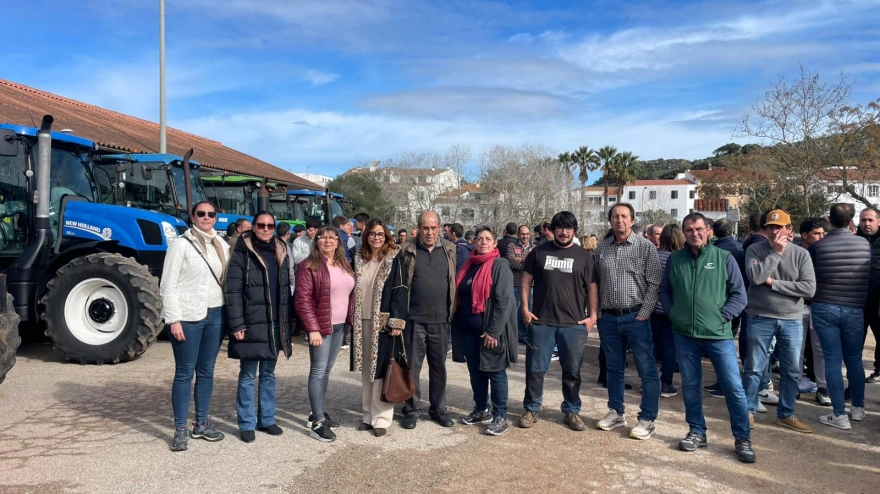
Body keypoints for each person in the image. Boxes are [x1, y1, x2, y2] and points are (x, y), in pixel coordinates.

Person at [659, 213, 753, 463]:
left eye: (699, 229)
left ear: (708, 230)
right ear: (683, 232)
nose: (694, 234)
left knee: (733, 387)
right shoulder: (675, 260)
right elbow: (664, 291)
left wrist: (722, 317)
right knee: (690, 386)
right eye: (689, 230)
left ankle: (742, 438)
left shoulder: (724, 258)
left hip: (717, 335)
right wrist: (673, 314)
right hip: (684, 334)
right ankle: (697, 431)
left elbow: (739, 295)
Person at [519, 211, 598, 432]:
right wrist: (525, 308)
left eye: (569, 228)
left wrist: (593, 316)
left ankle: (571, 410)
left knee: (572, 370)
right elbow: (526, 280)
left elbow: (591, 287)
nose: (564, 232)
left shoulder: (584, 256)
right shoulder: (539, 252)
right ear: (553, 230)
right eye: (560, 228)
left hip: (573, 324)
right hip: (542, 322)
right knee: (535, 368)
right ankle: (532, 408)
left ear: (574, 231)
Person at [161, 201, 230, 451]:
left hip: (216, 313)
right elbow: (167, 285)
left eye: (211, 214)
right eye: (201, 213)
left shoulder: (222, 245)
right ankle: (180, 428)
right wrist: (173, 319)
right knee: (184, 373)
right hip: (188, 316)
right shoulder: (180, 245)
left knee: (207, 371)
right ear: (193, 216)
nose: (206, 217)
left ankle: (201, 422)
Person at [743, 209, 816, 433]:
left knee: (792, 370)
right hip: (759, 316)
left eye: (779, 227)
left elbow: (809, 288)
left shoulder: (801, 254)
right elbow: (755, 277)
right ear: (764, 229)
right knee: (754, 368)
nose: (774, 231)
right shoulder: (755, 249)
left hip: (791, 319)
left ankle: (786, 413)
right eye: (770, 227)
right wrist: (775, 254)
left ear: (789, 229)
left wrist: (773, 283)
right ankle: (747, 410)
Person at [593, 203, 662, 440]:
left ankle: (647, 419)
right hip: (609, 318)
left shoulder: (645, 247)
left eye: (624, 216)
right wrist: (598, 312)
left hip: (636, 317)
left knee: (646, 369)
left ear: (632, 220)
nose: (619, 220)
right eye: (615, 216)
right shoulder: (601, 249)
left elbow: (654, 283)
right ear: (610, 220)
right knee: (614, 368)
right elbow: (595, 283)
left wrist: (644, 313)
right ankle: (616, 411)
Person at [226, 211, 293, 443]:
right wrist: (236, 323)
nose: (266, 229)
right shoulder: (242, 253)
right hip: (251, 321)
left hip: (275, 320)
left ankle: (267, 419)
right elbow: (232, 291)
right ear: (253, 227)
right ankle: (246, 422)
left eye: (270, 226)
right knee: (247, 375)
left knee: (268, 373)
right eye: (261, 225)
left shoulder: (281, 250)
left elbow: (285, 289)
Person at [452, 227, 518, 436]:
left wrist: (493, 331)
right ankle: (482, 409)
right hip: (469, 330)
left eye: (488, 239)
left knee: (496, 372)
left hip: (490, 332)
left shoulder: (499, 265)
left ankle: (500, 416)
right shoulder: (469, 264)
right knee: (476, 372)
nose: (483, 242)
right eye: (480, 239)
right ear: (473, 241)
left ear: (495, 243)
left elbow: (504, 301)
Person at [808, 203, 870, 430]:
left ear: (829, 220)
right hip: (855, 307)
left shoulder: (819, 246)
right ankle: (859, 409)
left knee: (832, 359)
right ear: (852, 220)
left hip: (825, 306)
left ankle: (839, 414)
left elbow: (811, 277)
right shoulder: (864, 244)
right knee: (854, 359)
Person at [294, 225, 355, 442]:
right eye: (322, 237)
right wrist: (312, 329)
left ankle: (316, 412)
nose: (327, 241)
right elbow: (301, 300)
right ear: (316, 240)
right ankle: (318, 423)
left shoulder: (343, 264)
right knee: (318, 371)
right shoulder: (308, 265)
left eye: (332, 237)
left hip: (339, 327)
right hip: (321, 326)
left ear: (338, 242)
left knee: (326, 370)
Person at [399, 211, 458, 429]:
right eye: (425, 228)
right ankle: (411, 409)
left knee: (438, 367)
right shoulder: (407, 250)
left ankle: (438, 410)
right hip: (414, 319)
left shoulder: (450, 250)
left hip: (441, 320)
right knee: (412, 367)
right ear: (419, 228)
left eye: (433, 228)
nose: (430, 232)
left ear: (440, 227)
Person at [351, 219, 408, 437]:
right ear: (366, 236)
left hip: (382, 322)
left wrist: (396, 321)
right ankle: (367, 415)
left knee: (382, 370)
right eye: (373, 234)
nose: (376, 238)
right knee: (366, 369)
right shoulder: (358, 258)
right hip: (361, 321)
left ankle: (382, 418)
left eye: (381, 234)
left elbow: (400, 290)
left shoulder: (393, 258)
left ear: (387, 237)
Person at [652, 223, 684, 399]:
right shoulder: (680, 259)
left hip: (652, 308)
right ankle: (666, 383)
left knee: (651, 347)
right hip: (671, 309)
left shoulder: (653, 256)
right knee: (669, 347)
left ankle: (648, 382)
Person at [798, 218, 828, 404]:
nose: (821, 237)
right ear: (805, 235)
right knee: (795, 348)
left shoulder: (826, 252)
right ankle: (795, 382)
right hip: (799, 305)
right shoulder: (796, 253)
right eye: (817, 233)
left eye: (823, 233)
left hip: (819, 306)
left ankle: (822, 387)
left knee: (820, 349)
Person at [856, 208, 880, 384]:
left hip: (878, 301)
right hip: (857, 303)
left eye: (870, 220)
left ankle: (878, 370)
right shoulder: (854, 241)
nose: (867, 224)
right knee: (855, 346)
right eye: (863, 220)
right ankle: (854, 385)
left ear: (878, 221)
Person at [507, 225, 534, 346]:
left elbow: (537, 265)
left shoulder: (535, 248)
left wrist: (521, 259)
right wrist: (527, 262)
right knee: (517, 310)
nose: (525, 236)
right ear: (518, 234)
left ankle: (526, 333)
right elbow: (511, 262)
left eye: (527, 234)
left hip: (532, 285)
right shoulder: (511, 246)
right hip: (516, 283)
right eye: (523, 234)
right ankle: (518, 335)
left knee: (529, 310)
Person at [275, 222, 296, 293]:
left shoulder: (272, 244)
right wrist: (293, 283)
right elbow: (290, 268)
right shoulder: (285, 248)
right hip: (284, 283)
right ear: (288, 232)